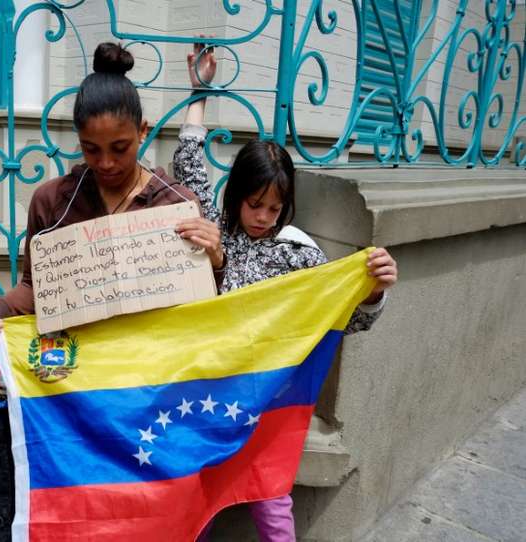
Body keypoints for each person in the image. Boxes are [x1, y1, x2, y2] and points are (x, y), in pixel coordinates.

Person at [176, 44, 398, 541]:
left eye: (274, 208)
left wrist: (372, 292)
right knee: (197, 495)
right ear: (237, 196)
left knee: (271, 496)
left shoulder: (299, 253)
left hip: (267, 403)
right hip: (209, 393)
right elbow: (189, 164)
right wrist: (199, 94)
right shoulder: (214, 227)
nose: (263, 216)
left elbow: (343, 319)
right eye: (254, 204)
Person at [0, 42, 225, 351]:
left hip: (150, 364)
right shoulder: (53, 201)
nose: (106, 163)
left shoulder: (176, 204)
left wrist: (216, 260)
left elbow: (201, 308)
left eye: (119, 148)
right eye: (91, 149)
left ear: (142, 131)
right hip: (75, 364)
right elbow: (36, 288)